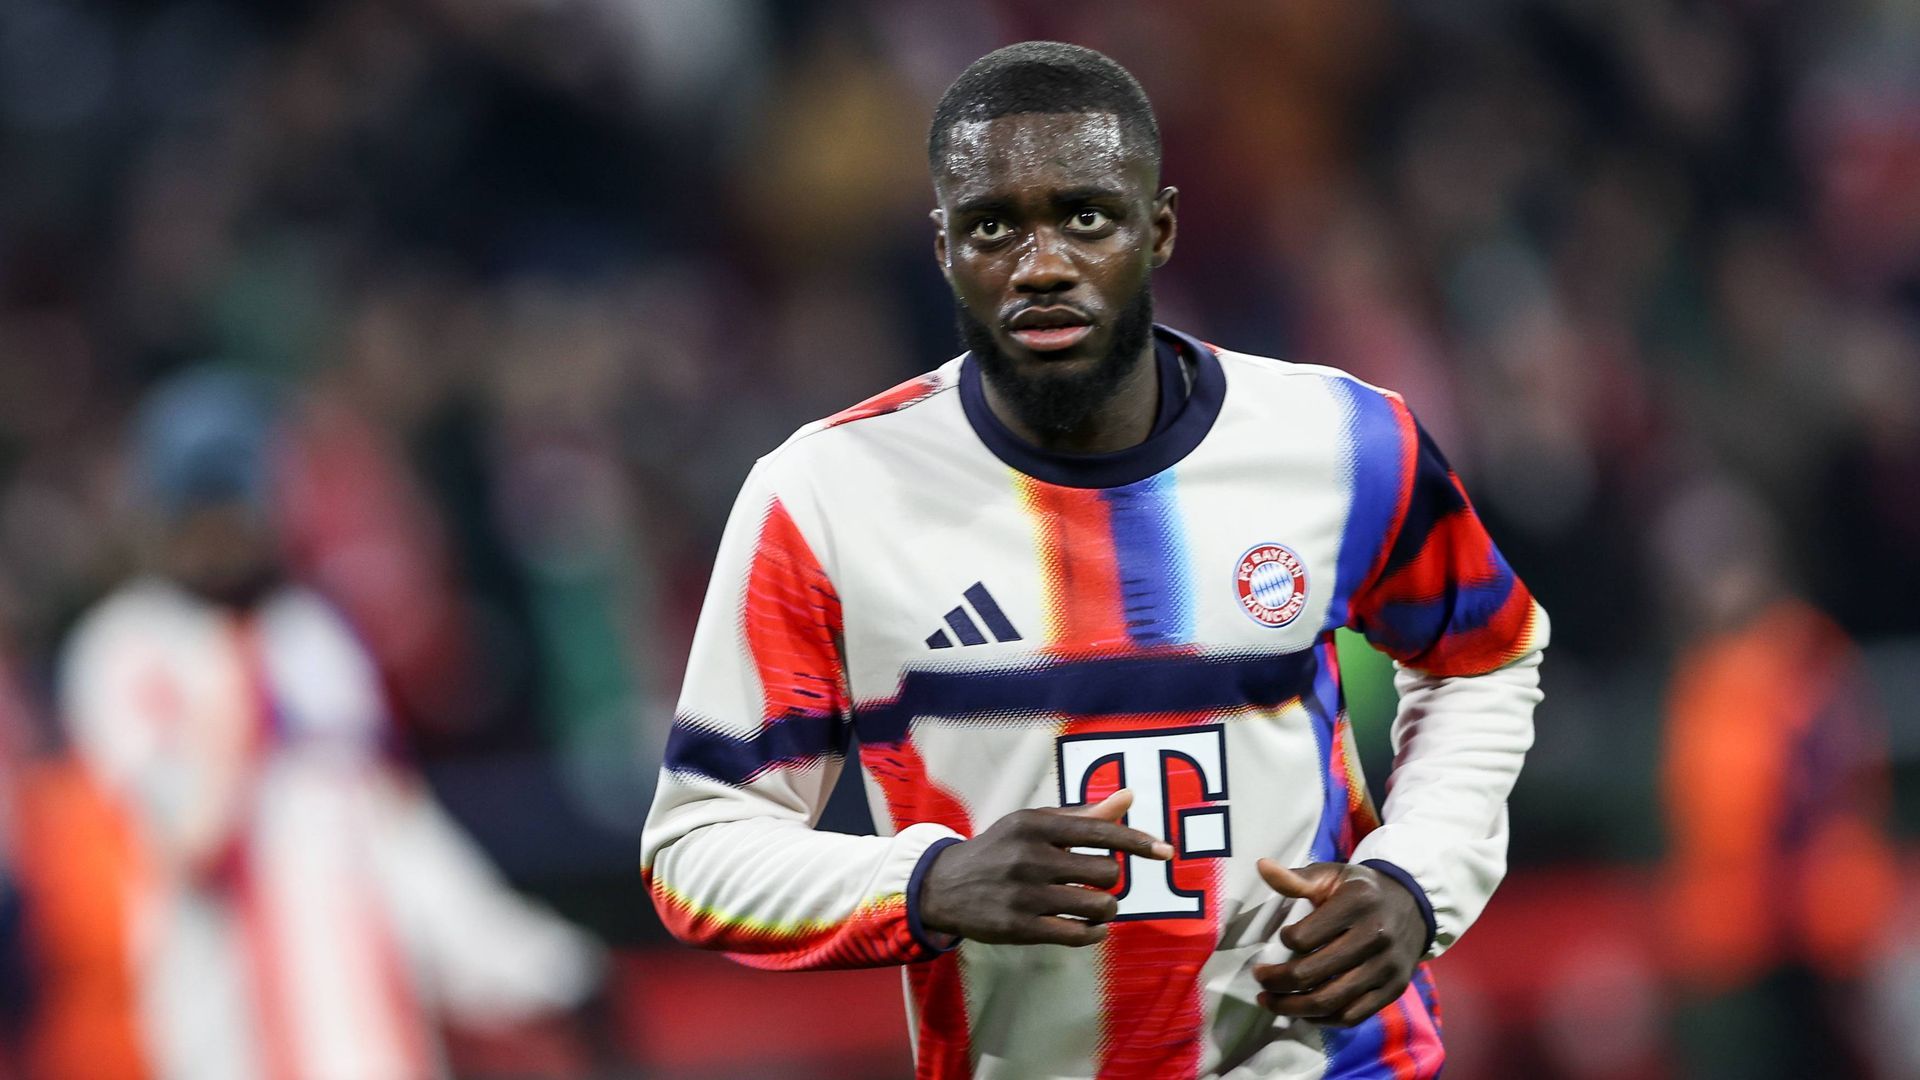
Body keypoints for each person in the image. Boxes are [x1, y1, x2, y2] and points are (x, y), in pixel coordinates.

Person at [641, 42, 1547, 1079]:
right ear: (942, 248)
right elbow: (695, 850)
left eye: (1085, 217)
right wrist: (924, 885)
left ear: (1157, 229)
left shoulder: (1344, 441)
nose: (1041, 265)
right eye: (993, 227)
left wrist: (1414, 879)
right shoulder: (827, 498)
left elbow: (1487, 658)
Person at [57, 368, 602, 1080]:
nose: (219, 531)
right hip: (230, 1037)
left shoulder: (314, 639)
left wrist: (530, 962)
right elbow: (190, 834)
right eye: (198, 506)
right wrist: (236, 667)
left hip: (368, 1031)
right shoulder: (127, 648)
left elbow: (395, 832)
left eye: (233, 503)